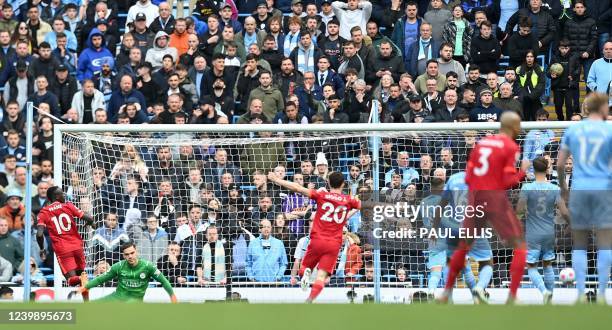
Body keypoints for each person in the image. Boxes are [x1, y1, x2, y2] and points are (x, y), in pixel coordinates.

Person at [438, 111, 531, 304]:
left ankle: (446, 293)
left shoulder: (482, 143)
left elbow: (469, 177)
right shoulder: (511, 146)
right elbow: (507, 182)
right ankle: (513, 296)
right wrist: (522, 172)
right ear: (514, 127)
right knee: (521, 247)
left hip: (476, 199)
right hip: (495, 199)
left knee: (463, 247)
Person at [267, 171, 360, 302]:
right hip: (334, 244)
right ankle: (310, 300)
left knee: (303, 269)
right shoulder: (348, 200)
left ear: (328, 182)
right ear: (343, 184)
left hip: (317, 240)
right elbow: (359, 205)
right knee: (321, 277)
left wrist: (276, 180)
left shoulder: (322, 195)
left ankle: (305, 274)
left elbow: (297, 187)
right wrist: (356, 202)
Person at [557, 93, 612, 304]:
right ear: (603, 108)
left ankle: (580, 294)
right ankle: (600, 295)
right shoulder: (609, 130)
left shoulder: (574, 129)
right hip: (604, 190)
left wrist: (563, 187)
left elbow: (561, 164)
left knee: (579, 243)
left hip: (579, 188)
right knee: (605, 243)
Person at [515, 157, 569, 304]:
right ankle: (549, 298)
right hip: (549, 232)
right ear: (547, 169)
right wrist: (571, 224)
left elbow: (519, 210)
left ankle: (544, 292)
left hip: (533, 233)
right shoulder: (555, 188)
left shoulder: (526, 188)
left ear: (533, 169)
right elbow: (564, 211)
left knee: (531, 265)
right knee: (548, 264)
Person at [36, 186, 95, 300]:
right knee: (82, 276)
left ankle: (82, 279)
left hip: (63, 249)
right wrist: (90, 223)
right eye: (62, 194)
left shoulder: (44, 212)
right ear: (56, 196)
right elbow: (89, 218)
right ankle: (87, 303)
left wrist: (42, 248)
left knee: (72, 281)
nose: (64, 195)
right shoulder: (68, 205)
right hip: (77, 246)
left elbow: (39, 234)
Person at [78, 242, 177, 303]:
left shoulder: (148, 266)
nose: (130, 256)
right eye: (127, 254)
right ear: (124, 256)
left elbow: (164, 281)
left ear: (136, 251)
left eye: (132, 253)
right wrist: (86, 287)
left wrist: (172, 295)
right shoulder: (119, 266)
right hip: (116, 298)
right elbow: (100, 279)